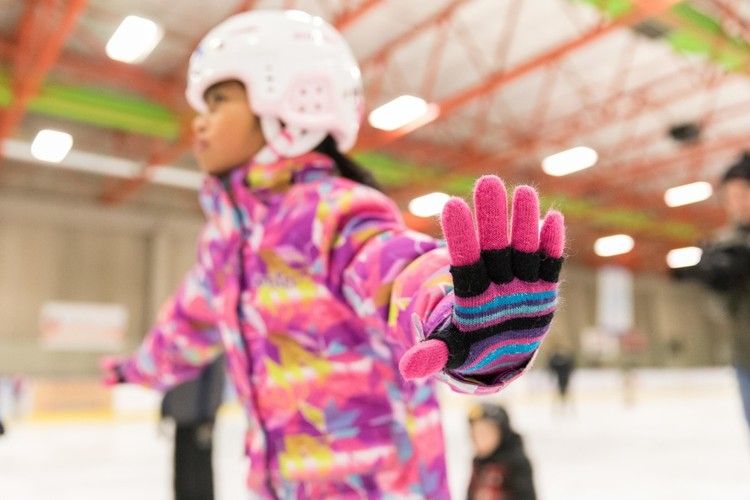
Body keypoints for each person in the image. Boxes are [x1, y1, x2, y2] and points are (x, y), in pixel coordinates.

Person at [101, 10, 566, 498]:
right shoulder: (224, 245)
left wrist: (454, 316)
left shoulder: (330, 212)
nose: (199, 123)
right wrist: (133, 369)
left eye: (218, 101)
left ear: (289, 104)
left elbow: (392, 265)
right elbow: (184, 328)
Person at [691, 152, 750, 431]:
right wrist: (716, 282)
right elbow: (720, 312)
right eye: (731, 196)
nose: (738, 203)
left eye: (744, 193)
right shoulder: (724, 243)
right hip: (745, 357)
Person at [161, 356, 225, 500]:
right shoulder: (178, 343)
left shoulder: (211, 344)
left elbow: (216, 382)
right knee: (182, 473)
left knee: (200, 476)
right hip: (180, 418)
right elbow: (168, 379)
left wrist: (209, 418)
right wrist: (165, 410)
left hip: (200, 419)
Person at [467, 404, 536, 500]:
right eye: (474, 434)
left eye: (484, 434)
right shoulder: (479, 461)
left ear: (501, 433)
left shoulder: (515, 462)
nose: (479, 440)